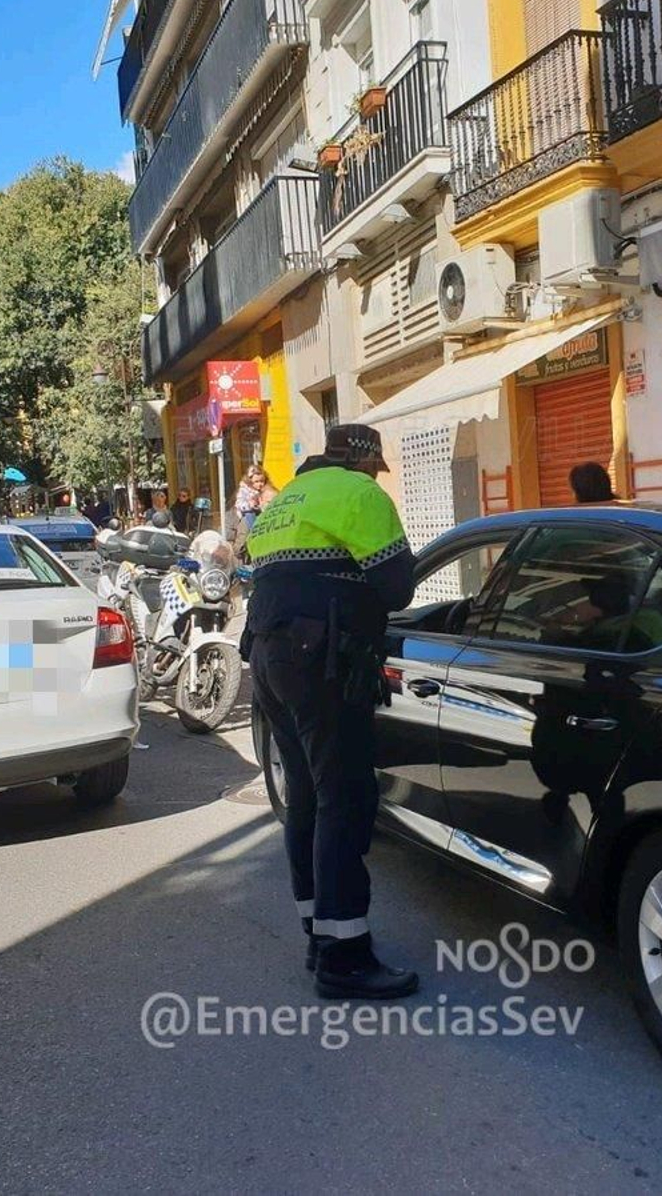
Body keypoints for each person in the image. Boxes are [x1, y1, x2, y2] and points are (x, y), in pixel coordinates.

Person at [244, 424, 418, 1000]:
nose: (376, 477)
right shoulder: (357, 493)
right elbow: (398, 589)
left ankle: (318, 936)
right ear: (364, 459)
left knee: (308, 798)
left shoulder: (282, 501)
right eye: (376, 467)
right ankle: (345, 959)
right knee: (343, 799)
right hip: (320, 663)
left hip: (269, 659)